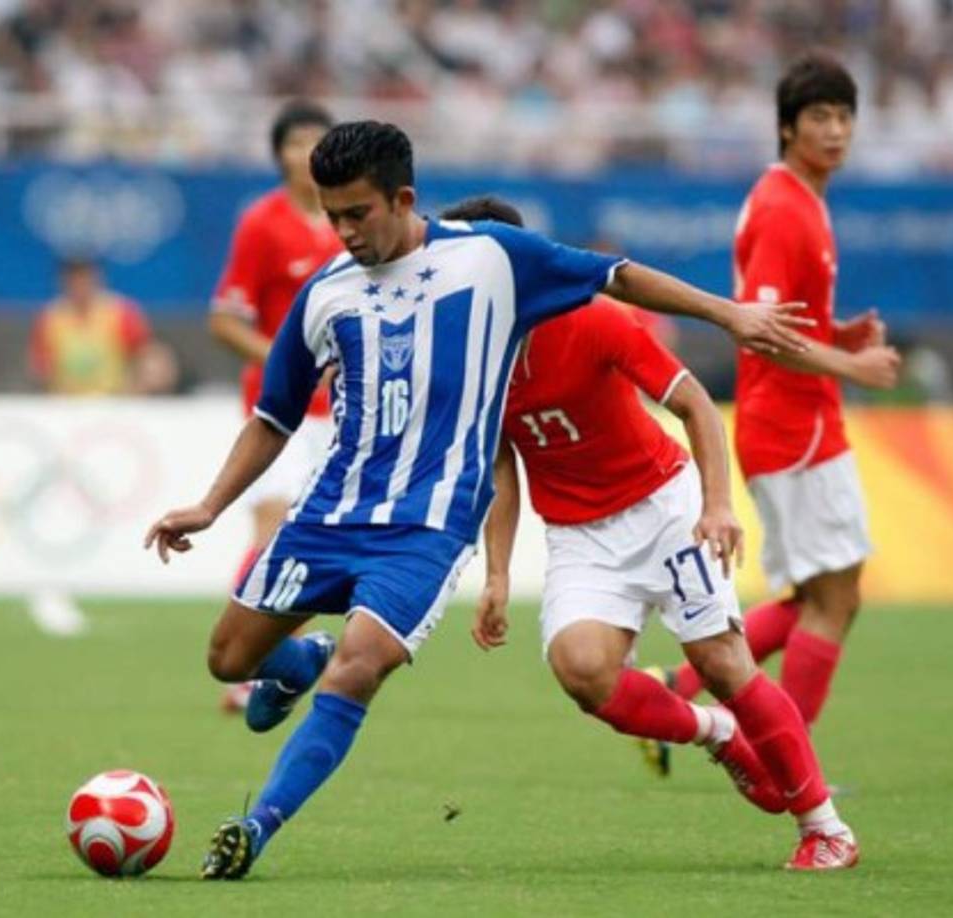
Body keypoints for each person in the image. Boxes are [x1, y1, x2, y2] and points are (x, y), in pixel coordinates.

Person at [143, 120, 812, 881]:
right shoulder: (325, 294)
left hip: (427, 527)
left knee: (360, 669)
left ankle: (254, 826)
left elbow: (618, 275)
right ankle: (297, 662)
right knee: (227, 658)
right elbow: (274, 416)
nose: (343, 230)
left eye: (357, 213)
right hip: (332, 512)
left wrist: (729, 315)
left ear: (403, 199)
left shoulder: (490, 256)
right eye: (332, 216)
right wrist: (208, 506)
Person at [455, 197, 857, 872]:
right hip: (580, 537)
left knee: (723, 663)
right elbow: (500, 461)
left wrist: (716, 505)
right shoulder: (468, 359)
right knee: (581, 672)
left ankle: (825, 828)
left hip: (662, 509)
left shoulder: (592, 319)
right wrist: (496, 573)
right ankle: (716, 732)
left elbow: (694, 402)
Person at [665, 54, 900, 732]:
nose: (835, 131)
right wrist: (851, 367)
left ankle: (678, 693)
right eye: (819, 117)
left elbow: (789, 321)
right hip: (791, 429)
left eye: (843, 117)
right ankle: (785, 767)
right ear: (786, 127)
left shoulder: (804, 201)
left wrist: (839, 337)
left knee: (825, 595)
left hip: (806, 422)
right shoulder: (781, 209)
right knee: (833, 598)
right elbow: (760, 334)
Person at [209, 100, 343, 715]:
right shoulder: (262, 223)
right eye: (295, 143)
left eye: (317, 142)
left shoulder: (352, 216)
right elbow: (224, 318)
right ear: (280, 154)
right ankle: (254, 660)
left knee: (320, 537)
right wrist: (284, 358)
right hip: (282, 409)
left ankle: (290, 660)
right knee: (269, 529)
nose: (306, 154)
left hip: (350, 410)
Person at [29, 258, 152, 395]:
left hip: (113, 400)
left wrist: (135, 388)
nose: (80, 287)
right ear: (63, 282)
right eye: (74, 281)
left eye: (85, 280)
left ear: (98, 280)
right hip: (65, 403)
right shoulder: (50, 317)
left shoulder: (121, 312)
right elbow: (40, 367)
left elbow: (145, 357)